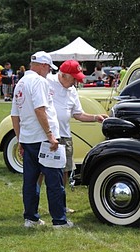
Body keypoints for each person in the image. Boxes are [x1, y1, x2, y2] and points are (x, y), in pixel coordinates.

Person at [11, 51, 73, 228]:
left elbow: (15, 115)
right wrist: (50, 135)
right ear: (43, 66)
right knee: (54, 180)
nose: (48, 73)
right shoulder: (39, 82)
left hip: (29, 139)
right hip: (43, 140)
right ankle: (59, 220)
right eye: (48, 69)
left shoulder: (20, 83)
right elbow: (40, 109)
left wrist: (20, 139)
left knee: (30, 181)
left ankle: (31, 218)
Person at [45, 59, 108, 213]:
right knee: (41, 172)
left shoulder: (72, 91)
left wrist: (95, 117)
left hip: (64, 137)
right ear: (64, 75)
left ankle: (61, 205)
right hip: (46, 135)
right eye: (74, 78)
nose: (75, 82)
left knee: (64, 172)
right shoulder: (46, 82)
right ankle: (33, 206)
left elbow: (78, 114)